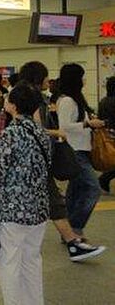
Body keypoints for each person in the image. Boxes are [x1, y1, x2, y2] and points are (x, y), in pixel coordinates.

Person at [19, 61, 105, 262]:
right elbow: (59, 127)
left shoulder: (68, 100)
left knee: (66, 196)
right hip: (67, 152)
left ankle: (71, 237)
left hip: (69, 152)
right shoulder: (56, 100)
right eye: (45, 76)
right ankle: (74, 234)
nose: (49, 80)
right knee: (90, 189)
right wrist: (86, 124)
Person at [0, 82, 50, 305]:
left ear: (13, 106)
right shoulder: (41, 133)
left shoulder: (10, 134)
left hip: (14, 209)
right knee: (32, 259)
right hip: (39, 207)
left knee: (10, 260)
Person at [57, 63, 105, 238]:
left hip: (82, 149)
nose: (84, 80)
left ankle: (68, 232)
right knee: (93, 188)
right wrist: (88, 124)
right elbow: (64, 126)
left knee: (75, 192)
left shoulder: (76, 100)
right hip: (74, 151)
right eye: (81, 76)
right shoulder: (67, 101)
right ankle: (75, 228)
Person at [97, 76, 115, 194]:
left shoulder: (103, 101)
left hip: (106, 134)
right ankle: (105, 178)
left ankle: (105, 178)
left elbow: (100, 117)